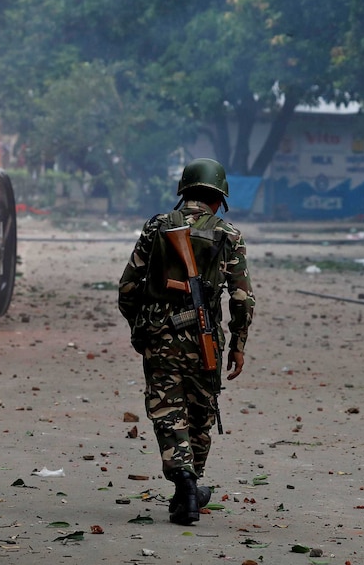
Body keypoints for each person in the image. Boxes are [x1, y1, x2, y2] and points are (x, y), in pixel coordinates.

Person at [118, 158, 255, 525]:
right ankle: (190, 485)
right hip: (205, 338)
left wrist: (141, 329)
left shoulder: (158, 227)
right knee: (200, 414)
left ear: (185, 191)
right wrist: (239, 344)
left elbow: (128, 288)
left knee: (168, 412)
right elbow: (241, 300)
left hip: (161, 338)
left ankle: (184, 482)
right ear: (219, 198)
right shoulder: (229, 235)